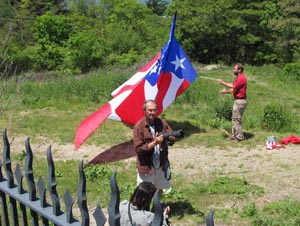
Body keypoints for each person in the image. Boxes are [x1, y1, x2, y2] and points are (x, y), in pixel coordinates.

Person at [133, 99, 175, 197]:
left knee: (159, 188)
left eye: (154, 110)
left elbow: (170, 138)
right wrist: (155, 142)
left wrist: (172, 138)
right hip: (146, 166)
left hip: (160, 163)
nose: (152, 113)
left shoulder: (161, 122)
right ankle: (143, 211)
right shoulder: (139, 127)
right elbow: (139, 150)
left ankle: (156, 209)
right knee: (144, 192)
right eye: (150, 110)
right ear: (144, 111)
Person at [216, 63, 248, 141]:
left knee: (236, 119)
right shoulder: (239, 78)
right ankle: (234, 136)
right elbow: (233, 86)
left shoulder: (241, 78)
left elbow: (232, 88)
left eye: (235, 69)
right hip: (238, 101)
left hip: (240, 101)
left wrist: (224, 89)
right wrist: (222, 83)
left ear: (239, 70)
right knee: (234, 119)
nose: (233, 70)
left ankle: (240, 137)